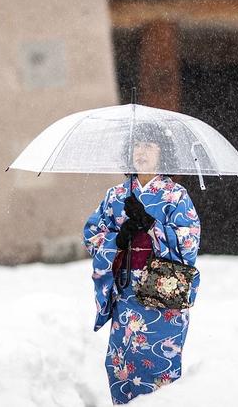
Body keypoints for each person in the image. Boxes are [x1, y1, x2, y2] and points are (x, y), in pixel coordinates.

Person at [83, 124, 201, 404]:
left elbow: (189, 240)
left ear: (163, 153)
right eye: (136, 145)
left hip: (162, 290)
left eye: (149, 145)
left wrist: (151, 226)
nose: (141, 151)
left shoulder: (175, 195)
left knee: (161, 367)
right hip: (127, 292)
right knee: (121, 363)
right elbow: (92, 234)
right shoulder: (116, 195)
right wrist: (119, 239)